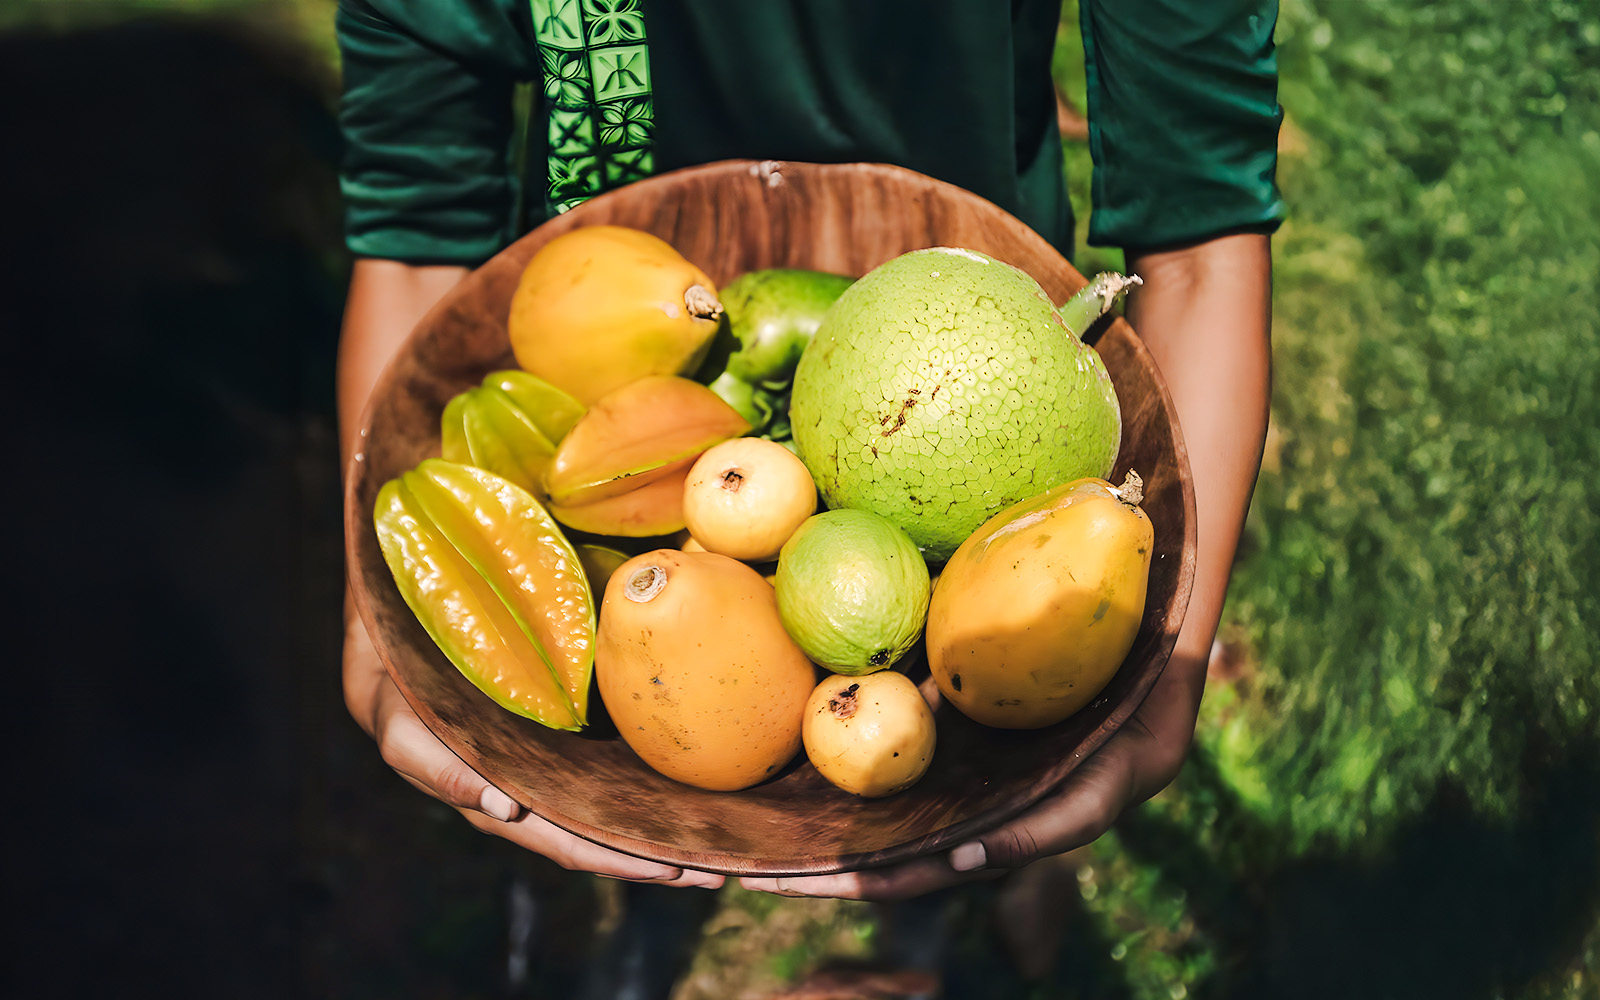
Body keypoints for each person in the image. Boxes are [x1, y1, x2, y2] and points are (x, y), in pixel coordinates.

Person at [338, 0, 1280, 904]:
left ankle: (932, 941)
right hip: (614, 322)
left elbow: (1199, 231)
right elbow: (420, 228)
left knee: (954, 797)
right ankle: (697, 918)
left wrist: (1172, 669)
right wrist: (373, 627)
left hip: (977, 328)